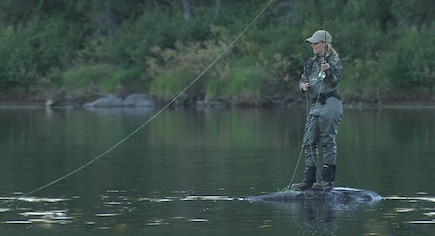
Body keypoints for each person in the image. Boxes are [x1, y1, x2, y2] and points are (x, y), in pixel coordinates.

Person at [291, 30, 343, 191]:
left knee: (327, 140)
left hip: (330, 103)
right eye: (312, 43)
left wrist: (327, 71)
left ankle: (327, 180)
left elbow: (334, 82)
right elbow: (303, 79)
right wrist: (303, 87)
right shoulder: (310, 63)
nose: (313, 45)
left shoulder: (334, 60)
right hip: (315, 106)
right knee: (308, 141)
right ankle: (309, 179)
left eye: (316, 43)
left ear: (325, 44)